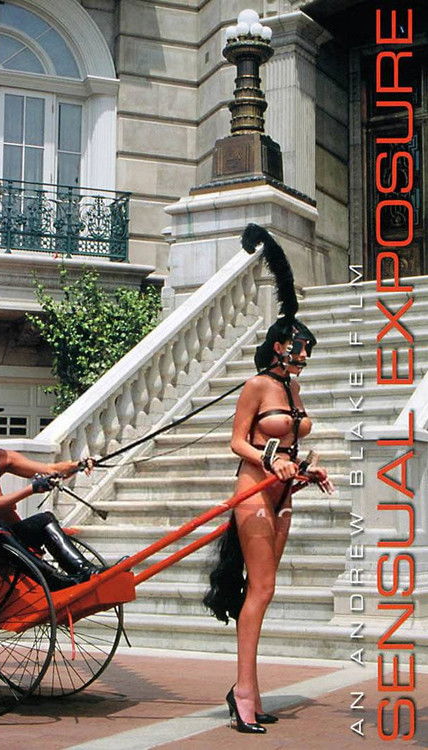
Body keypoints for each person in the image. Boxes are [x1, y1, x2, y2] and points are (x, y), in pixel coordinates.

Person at [203, 225, 334, 734]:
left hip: (284, 496)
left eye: (307, 350)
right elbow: (238, 442)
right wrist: (268, 460)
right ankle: (242, 693)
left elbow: (291, 444)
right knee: (259, 590)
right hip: (253, 494)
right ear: (278, 345)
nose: (304, 357)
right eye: (299, 348)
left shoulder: (293, 390)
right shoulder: (257, 386)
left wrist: (303, 469)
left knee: (263, 590)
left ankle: (250, 692)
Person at [0, 387, 100, 590]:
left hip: (1, 539)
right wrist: (31, 489)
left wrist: (78, 465)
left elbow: (49, 469)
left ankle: (87, 572)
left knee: (44, 520)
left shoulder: (0, 457)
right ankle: (53, 580)